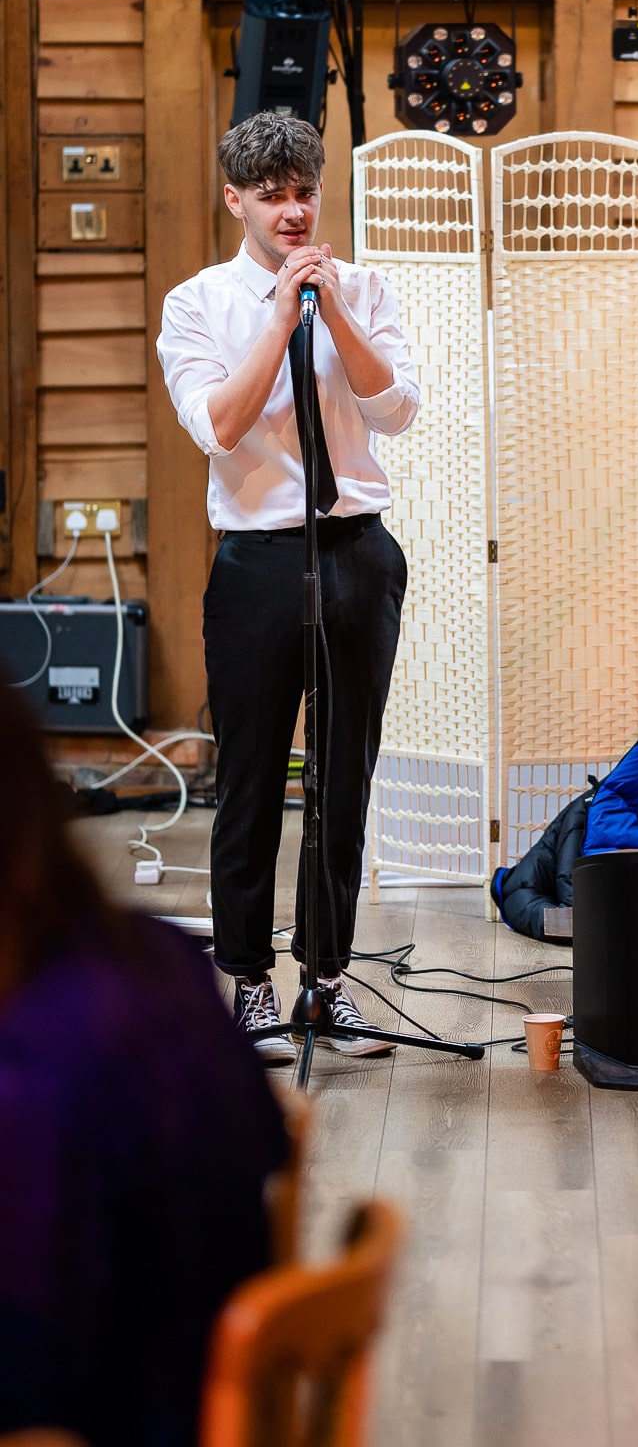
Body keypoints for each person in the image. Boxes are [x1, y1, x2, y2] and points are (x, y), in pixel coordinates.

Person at [157, 111, 419, 1062]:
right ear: (236, 201)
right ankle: (250, 985)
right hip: (258, 561)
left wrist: (331, 309)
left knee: (344, 779)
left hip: (357, 551)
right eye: (272, 197)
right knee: (252, 780)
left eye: (304, 192)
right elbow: (219, 426)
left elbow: (396, 410)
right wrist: (278, 316)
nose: (293, 212)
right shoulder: (196, 303)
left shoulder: (364, 288)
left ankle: (327, 980)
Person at [0, 676, 288, 1446]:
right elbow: (269, 1142)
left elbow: (37, 1395)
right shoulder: (160, 954)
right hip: (222, 1401)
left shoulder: (29, 1077)